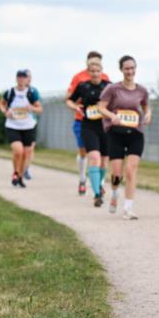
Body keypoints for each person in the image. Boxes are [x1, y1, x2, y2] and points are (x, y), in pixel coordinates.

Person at [98, 55, 151, 220]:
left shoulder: (142, 90)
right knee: (117, 173)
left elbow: (146, 107)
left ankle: (128, 209)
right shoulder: (112, 89)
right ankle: (114, 193)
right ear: (121, 70)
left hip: (135, 133)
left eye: (132, 68)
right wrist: (111, 116)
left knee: (130, 170)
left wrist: (148, 115)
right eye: (127, 68)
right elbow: (100, 107)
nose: (130, 71)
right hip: (116, 134)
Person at [67, 58, 110, 207]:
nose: (95, 74)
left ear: (101, 71)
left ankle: (99, 184)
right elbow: (69, 100)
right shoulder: (83, 86)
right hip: (89, 126)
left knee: (104, 161)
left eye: (98, 71)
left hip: (105, 126)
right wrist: (76, 107)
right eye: (92, 71)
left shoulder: (108, 86)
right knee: (94, 158)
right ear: (88, 72)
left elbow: (117, 102)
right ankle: (97, 193)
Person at [0, 70, 42, 188]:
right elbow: (2, 104)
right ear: (16, 79)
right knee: (18, 151)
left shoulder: (32, 93)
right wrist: (5, 112)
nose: (22, 79)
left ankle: (21, 177)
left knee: (26, 153)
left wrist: (31, 107)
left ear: (28, 79)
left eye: (24, 77)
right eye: (20, 77)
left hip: (28, 126)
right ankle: (16, 172)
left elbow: (39, 109)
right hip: (13, 125)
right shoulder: (9, 92)